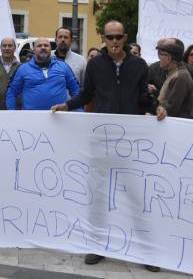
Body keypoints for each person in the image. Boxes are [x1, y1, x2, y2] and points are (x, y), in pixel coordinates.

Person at [51, 19, 166, 272]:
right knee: (99, 196)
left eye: (119, 37)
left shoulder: (138, 65)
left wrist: (155, 106)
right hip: (101, 140)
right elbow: (86, 95)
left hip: (130, 143)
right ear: (103, 39)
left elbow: (142, 97)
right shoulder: (95, 64)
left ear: (125, 38)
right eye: (110, 37)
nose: (114, 41)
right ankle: (97, 245)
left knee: (137, 196)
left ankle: (146, 249)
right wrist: (66, 106)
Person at [6, 38, 79, 111]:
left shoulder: (63, 66)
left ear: (51, 49)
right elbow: (12, 91)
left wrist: (80, 112)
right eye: (39, 46)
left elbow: (76, 89)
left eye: (46, 45)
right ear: (34, 50)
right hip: (32, 118)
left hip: (59, 117)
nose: (43, 47)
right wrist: (12, 113)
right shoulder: (23, 69)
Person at [155, 42, 193, 118]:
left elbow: (171, 108)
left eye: (160, 54)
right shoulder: (174, 72)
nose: (159, 57)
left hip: (176, 127)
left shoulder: (181, 76)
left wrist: (154, 111)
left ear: (169, 57)